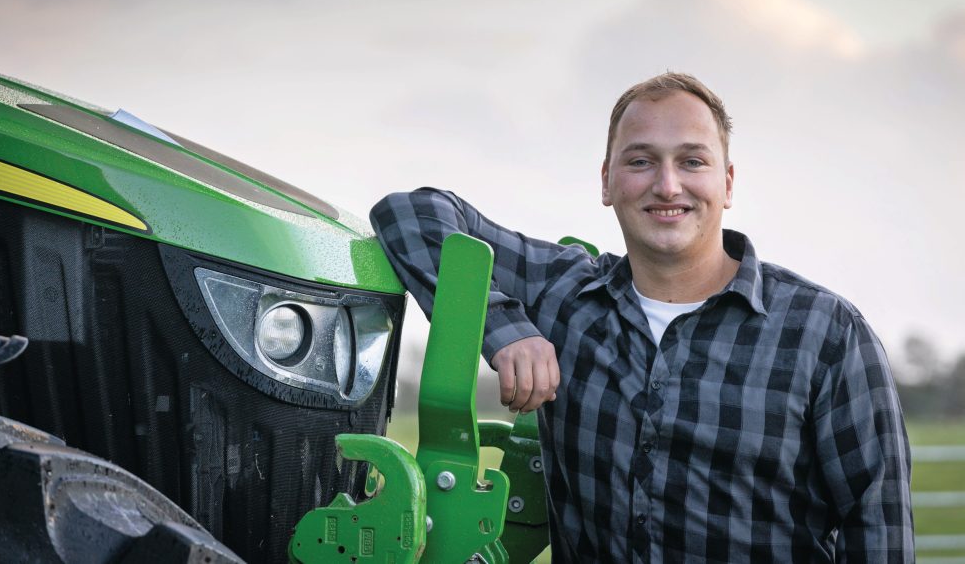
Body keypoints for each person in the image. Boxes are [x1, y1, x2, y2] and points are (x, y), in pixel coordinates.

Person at [370, 72, 913, 563]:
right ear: (607, 182)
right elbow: (409, 214)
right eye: (641, 160)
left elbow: (878, 530)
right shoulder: (565, 294)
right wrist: (506, 328)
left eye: (692, 161)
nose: (668, 185)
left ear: (727, 183)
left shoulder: (825, 334)